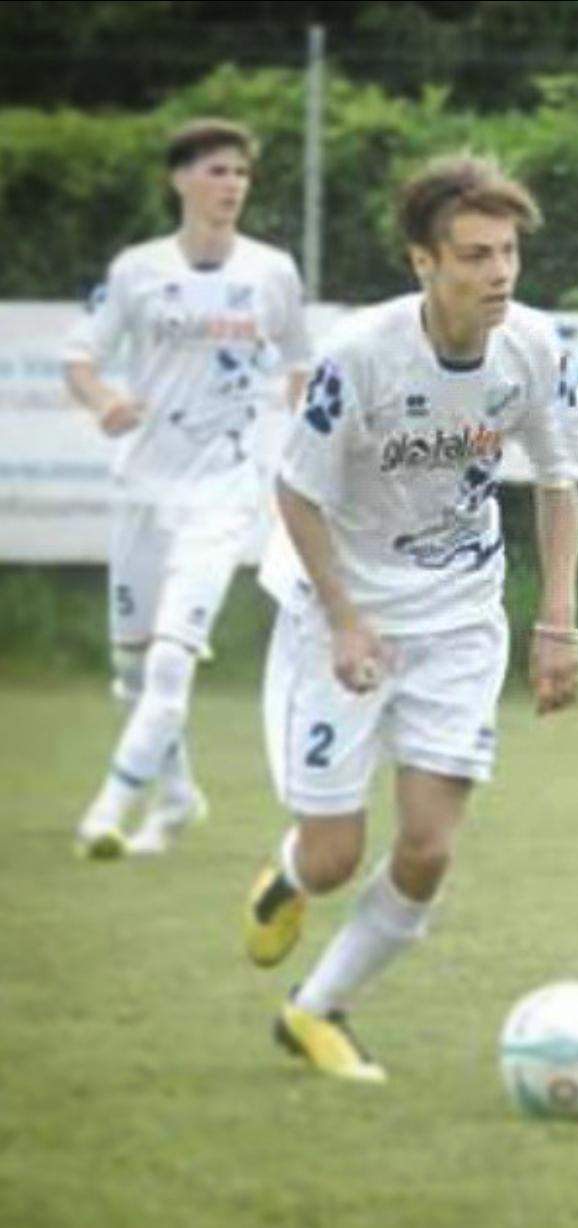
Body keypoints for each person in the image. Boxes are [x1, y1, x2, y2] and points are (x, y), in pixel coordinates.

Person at [242, 152, 578, 1084]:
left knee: (428, 848)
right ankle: (291, 874)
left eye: (508, 252)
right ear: (423, 264)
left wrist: (558, 622)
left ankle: (317, 1010)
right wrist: (349, 622)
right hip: (341, 620)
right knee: (333, 855)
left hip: (461, 620)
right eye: (474, 255)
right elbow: (297, 492)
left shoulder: (535, 347)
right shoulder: (361, 356)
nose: (499, 273)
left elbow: (559, 484)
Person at [65, 118, 312, 859]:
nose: (231, 184)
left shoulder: (273, 272)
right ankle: (176, 800)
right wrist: (104, 399)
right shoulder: (137, 270)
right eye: (215, 171)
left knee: (174, 659)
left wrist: (310, 449)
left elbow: (300, 369)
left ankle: (107, 812)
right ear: (179, 180)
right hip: (142, 492)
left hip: (225, 493)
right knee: (133, 673)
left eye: (240, 172)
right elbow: (81, 358)